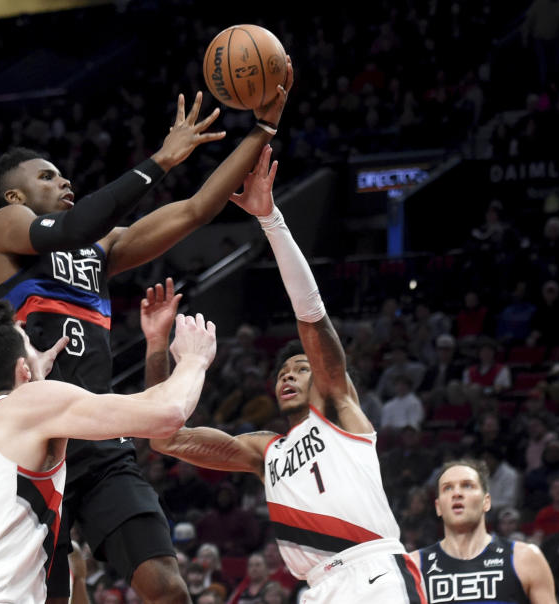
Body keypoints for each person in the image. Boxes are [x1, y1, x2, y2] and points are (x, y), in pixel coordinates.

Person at [0, 66, 292, 603]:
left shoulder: (100, 252)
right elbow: (77, 227)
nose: (65, 182)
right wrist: (162, 158)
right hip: (30, 447)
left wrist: (261, 129)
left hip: (99, 438)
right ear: (15, 197)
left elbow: (194, 210)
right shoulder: (4, 231)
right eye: (49, 177)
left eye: (62, 175)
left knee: (168, 590)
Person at [145, 148, 425, 602]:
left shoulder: (337, 410)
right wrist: (158, 348)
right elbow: (163, 438)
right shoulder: (265, 451)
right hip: (315, 588)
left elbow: (312, 317)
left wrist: (271, 220)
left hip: (372, 570)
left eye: (301, 367)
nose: (289, 375)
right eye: (281, 371)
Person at [0, 299, 217, 604]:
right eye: (30, 345)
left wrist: (35, 372)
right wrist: (194, 360)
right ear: (22, 369)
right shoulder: (28, 405)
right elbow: (168, 412)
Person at [409, 460, 557, 603]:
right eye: (447, 488)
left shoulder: (525, 558)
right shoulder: (413, 566)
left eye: (467, 485)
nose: (457, 493)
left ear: (486, 502)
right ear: (438, 506)